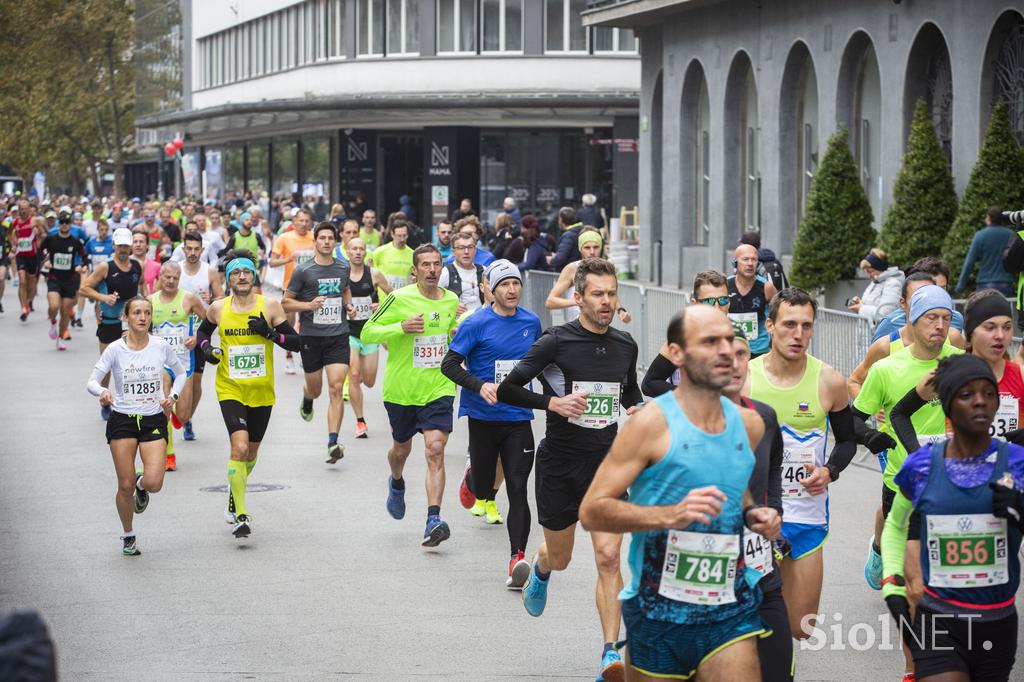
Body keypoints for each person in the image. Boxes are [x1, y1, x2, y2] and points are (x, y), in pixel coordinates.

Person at [578, 304, 780, 682]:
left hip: (729, 610)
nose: (724, 350)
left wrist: (754, 514)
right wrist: (669, 515)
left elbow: (734, 491)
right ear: (675, 353)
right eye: (709, 341)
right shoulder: (651, 425)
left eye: (728, 340)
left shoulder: (750, 425)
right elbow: (593, 511)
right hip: (659, 614)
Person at [497, 257, 643, 682]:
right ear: (577, 297)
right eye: (598, 294)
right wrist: (552, 403)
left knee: (609, 557)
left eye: (612, 293)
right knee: (561, 557)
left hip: (606, 466)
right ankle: (541, 568)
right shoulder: (555, 342)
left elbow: (628, 392)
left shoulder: (625, 345)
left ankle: (609, 654)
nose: (607, 301)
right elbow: (508, 387)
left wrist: (639, 411)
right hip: (560, 464)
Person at [881, 354, 1023, 682]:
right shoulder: (921, 466)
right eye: (966, 394)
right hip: (939, 620)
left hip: (997, 621)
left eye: (988, 393)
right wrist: (892, 583)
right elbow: (895, 526)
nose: (980, 402)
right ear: (947, 404)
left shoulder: (1017, 463)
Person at [852, 285, 963, 678]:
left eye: (946, 318)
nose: (939, 326)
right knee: (913, 587)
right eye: (931, 318)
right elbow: (853, 417)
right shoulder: (887, 368)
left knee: (947, 583)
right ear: (912, 322)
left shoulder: (959, 362)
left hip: (952, 488)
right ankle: (913, 665)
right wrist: (870, 437)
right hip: (902, 485)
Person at [745, 287, 858, 643]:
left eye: (806, 326)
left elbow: (848, 440)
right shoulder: (744, 378)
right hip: (757, 519)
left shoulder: (829, 381)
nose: (798, 334)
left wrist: (830, 471)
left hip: (807, 518)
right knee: (751, 626)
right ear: (770, 325)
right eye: (789, 324)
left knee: (800, 628)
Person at [441, 260, 542, 586]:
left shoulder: (532, 322)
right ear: (491, 289)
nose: (512, 290)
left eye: (516, 284)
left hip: (517, 417)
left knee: (517, 487)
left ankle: (517, 558)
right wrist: (478, 385)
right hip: (483, 417)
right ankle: (474, 479)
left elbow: (542, 365)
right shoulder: (476, 323)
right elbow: (449, 365)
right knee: (485, 488)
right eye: (505, 285)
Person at [196, 251, 301, 538]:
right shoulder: (218, 308)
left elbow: (297, 342)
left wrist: (270, 334)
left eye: (246, 272)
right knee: (239, 448)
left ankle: (235, 489)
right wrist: (207, 350)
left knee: (251, 453)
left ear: (254, 276)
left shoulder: (270, 306)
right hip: (230, 387)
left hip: (261, 391)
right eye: (235, 273)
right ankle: (241, 513)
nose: (241, 276)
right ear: (228, 278)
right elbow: (203, 335)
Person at [360, 244, 460, 547]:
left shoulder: (451, 300)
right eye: (425, 265)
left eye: (436, 264)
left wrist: (457, 330)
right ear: (414, 270)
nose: (431, 270)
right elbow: (367, 333)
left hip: (438, 387)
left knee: (434, 449)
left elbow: (449, 331)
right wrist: (400, 327)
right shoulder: (399, 298)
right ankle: (397, 481)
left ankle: (433, 518)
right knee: (400, 450)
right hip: (402, 391)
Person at [86, 296, 186, 555]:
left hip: (152, 418)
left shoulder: (161, 346)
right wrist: (103, 393)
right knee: (125, 484)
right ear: (126, 317)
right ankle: (128, 535)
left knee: (154, 482)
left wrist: (172, 398)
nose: (143, 317)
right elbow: (92, 381)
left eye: (147, 313)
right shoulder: (116, 349)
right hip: (123, 419)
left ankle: (143, 486)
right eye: (137, 313)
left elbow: (181, 372)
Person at [722, 321, 791, 682]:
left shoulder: (763, 416)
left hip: (761, 573)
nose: (734, 364)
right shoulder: (672, 420)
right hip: (704, 585)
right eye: (723, 356)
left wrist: (773, 511)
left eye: (741, 355)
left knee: (779, 673)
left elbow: (775, 464)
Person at [889, 290, 1024, 450]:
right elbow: (899, 414)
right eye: (990, 328)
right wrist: (918, 456)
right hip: (959, 472)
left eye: (1007, 327)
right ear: (971, 331)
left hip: (1010, 472)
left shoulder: (1020, 374)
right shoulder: (949, 374)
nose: (1000, 335)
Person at [282, 222, 353, 464]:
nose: (325, 242)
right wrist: (308, 306)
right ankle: (307, 397)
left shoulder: (344, 268)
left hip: (338, 336)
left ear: (335, 242)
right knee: (316, 389)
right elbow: (285, 302)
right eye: (321, 238)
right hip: (311, 337)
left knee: (335, 388)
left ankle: (333, 442)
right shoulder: (304, 271)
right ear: (315, 242)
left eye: (329, 238)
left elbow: (345, 291)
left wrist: (349, 305)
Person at [80, 229, 145, 417]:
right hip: (109, 322)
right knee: (108, 364)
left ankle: (130, 400)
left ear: (131, 247)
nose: (123, 249)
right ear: (114, 246)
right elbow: (84, 288)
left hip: (130, 323)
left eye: (126, 245)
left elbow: (140, 286)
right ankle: (105, 400)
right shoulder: (105, 267)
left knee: (132, 363)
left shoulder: (137, 265)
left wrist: (144, 304)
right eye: (120, 245)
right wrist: (103, 297)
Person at [149, 261, 204, 471]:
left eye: (175, 278)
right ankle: (168, 454)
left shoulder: (188, 299)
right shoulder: (150, 301)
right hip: (161, 363)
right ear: (160, 277)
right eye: (167, 277)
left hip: (183, 362)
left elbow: (208, 321)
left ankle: (176, 417)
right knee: (165, 405)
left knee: (184, 415)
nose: (171, 281)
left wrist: (196, 336)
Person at [642, 270, 731, 398]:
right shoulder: (681, 339)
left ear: (729, 303)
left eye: (723, 300)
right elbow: (649, 384)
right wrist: (691, 397)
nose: (717, 308)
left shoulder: (737, 338)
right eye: (709, 301)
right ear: (695, 304)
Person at [176, 230, 224, 441]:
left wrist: (211, 297)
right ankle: (173, 414)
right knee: (172, 377)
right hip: (175, 334)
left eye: (197, 249)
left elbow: (222, 298)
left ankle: (187, 419)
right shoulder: (175, 270)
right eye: (189, 248)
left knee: (195, 382)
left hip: (200, 331)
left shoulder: (210, 272)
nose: (193, 252)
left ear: (202, 250)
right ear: (183, 248)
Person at [345, 237, 393, 438]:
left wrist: (378, 307)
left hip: (370, 334)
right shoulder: (341, 275)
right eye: (354, 249)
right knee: (354, 376)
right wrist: (346, 307)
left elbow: (393, 298)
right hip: (349, 334)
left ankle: (362, 379)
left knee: (370, 381)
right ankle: (360, 421)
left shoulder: (374, 274)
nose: (357, 252)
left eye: (361, 249)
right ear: (347, 251)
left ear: (365, 252)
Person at [545, 229, 630, 325]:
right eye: (587, 247)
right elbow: (550, 301)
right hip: (576, 330)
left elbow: (610, 293)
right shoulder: (572, 269)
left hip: (599, 329)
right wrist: (575, 301)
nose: (592, 252)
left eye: (596, 247)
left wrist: (620, 310)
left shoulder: (605, 268)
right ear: (580, 249)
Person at [269, 207, 315, 374]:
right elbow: (271, 262)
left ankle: (305, 354)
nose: (303, 224)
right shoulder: (284, 238)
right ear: (294, 222)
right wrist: (288, 259)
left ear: (310, 222)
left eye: (306, 221)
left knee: (306, 323)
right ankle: (289, 356)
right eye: (300, 220)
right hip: (290, 287)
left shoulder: (314, 238)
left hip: (310, 287)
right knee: (289, 322)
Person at [39, 213, 87, 350]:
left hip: (70, 280)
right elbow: (40, 250)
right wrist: (46, 261)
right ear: (58, 224)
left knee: (66, 311)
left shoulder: (75, 241)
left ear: (70, 224)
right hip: (54, 278)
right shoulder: (51, 239)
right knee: (54, 306)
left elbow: (84, 256)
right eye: (62, 222)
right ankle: (53, 322)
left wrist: (81, 265)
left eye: (67, 222)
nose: (64, 224)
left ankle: (60, 338)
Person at [955, 206, 1015, 297]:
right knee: (1004, 310)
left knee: (986, 310)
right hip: (1005, 282)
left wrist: (960, 286)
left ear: (989, 218)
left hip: (985, 283)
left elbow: (969, 262)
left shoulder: (980, 236)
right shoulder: (1010, 234)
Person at [847, 249, 904, 324]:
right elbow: (870, 305)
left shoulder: (892, 284)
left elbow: (886, 313)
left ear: (879, 268)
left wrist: (860, 308)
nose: (869, 275)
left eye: (870, 271)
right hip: (868, 332)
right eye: (867, 272)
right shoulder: (875, 282)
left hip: (878, 334)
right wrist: (860, 302)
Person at [439, 231, 489, 315]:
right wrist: (449, 307)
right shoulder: (445, 273)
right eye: (461, 248)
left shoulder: (484, 270)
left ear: (475, 250)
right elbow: (432, 300)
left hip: (482, 321)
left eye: (470, 247)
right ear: (453, 252)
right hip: (458, 324)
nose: (466, 251)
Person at [368, 221, 414, 292]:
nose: (402, 239)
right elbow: (371, 274)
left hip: (404, 299)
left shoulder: (413, 254)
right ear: (392, 234)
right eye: (399, 236)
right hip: (384, 300)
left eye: (404, 235)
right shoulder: (379, 252)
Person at [13, 212, 42, 321]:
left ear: (28, 209)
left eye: (26, 209)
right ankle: (24, 308)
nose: (24, 211)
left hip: (32, 256)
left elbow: (42, 233)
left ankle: (28, 302)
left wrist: (38, 235)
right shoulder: (15, 221)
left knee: (32, 283)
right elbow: (10, 233)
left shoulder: (34, 220)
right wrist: (13, 243)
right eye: (22, 209)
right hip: (20, 255)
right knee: (22, 280)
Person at [548, 207, 585, 271]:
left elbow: (560, 258)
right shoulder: (582, 229)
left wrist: (551, 260)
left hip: (569, 272)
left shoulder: (568, 236)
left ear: (561, 220)